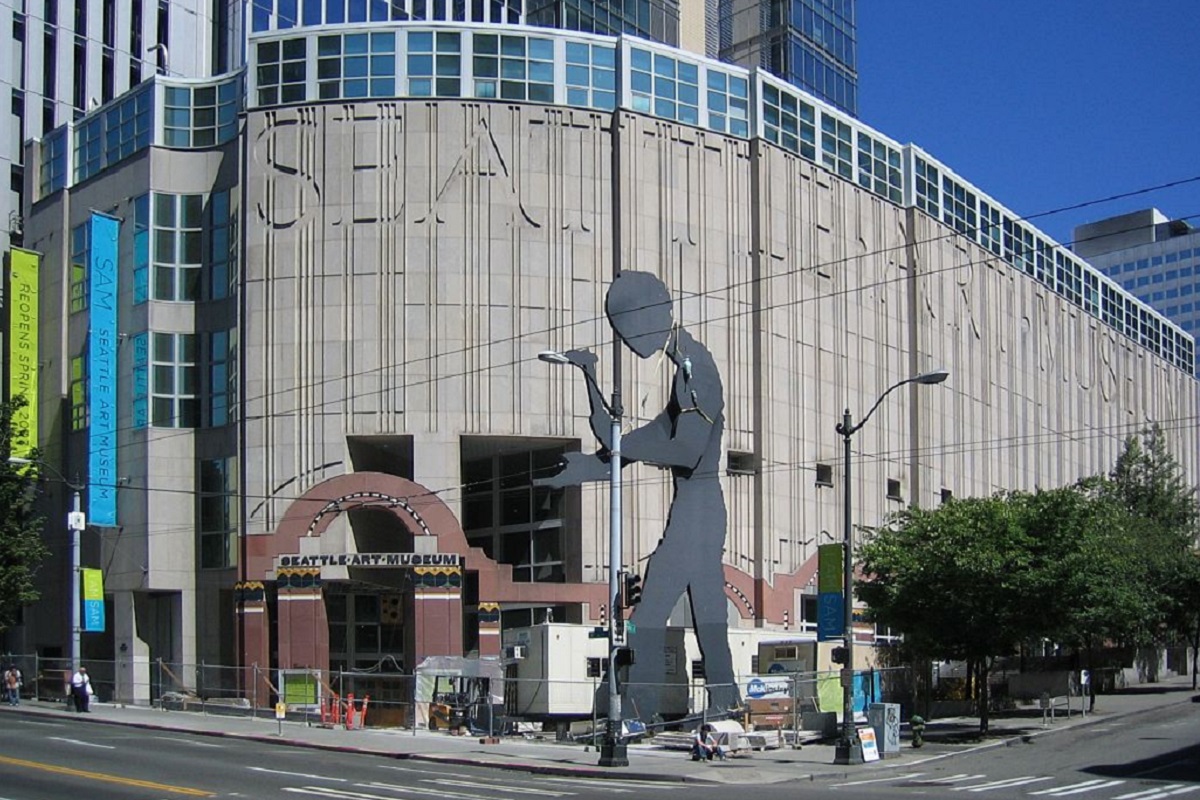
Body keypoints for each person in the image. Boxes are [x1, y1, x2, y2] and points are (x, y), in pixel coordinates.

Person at [539, 271, 741, 717]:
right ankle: (726, 703)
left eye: (631, 328)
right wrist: (584, 466)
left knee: (650, 611)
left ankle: (639, 707)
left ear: (660, 313)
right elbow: (623, 444)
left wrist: (615, 448)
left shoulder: (697, 368)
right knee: (708, 612)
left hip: (698, 509)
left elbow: (683, 449)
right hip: (700, 509)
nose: (629, 342)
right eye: (622, 332)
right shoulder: (685, 371)